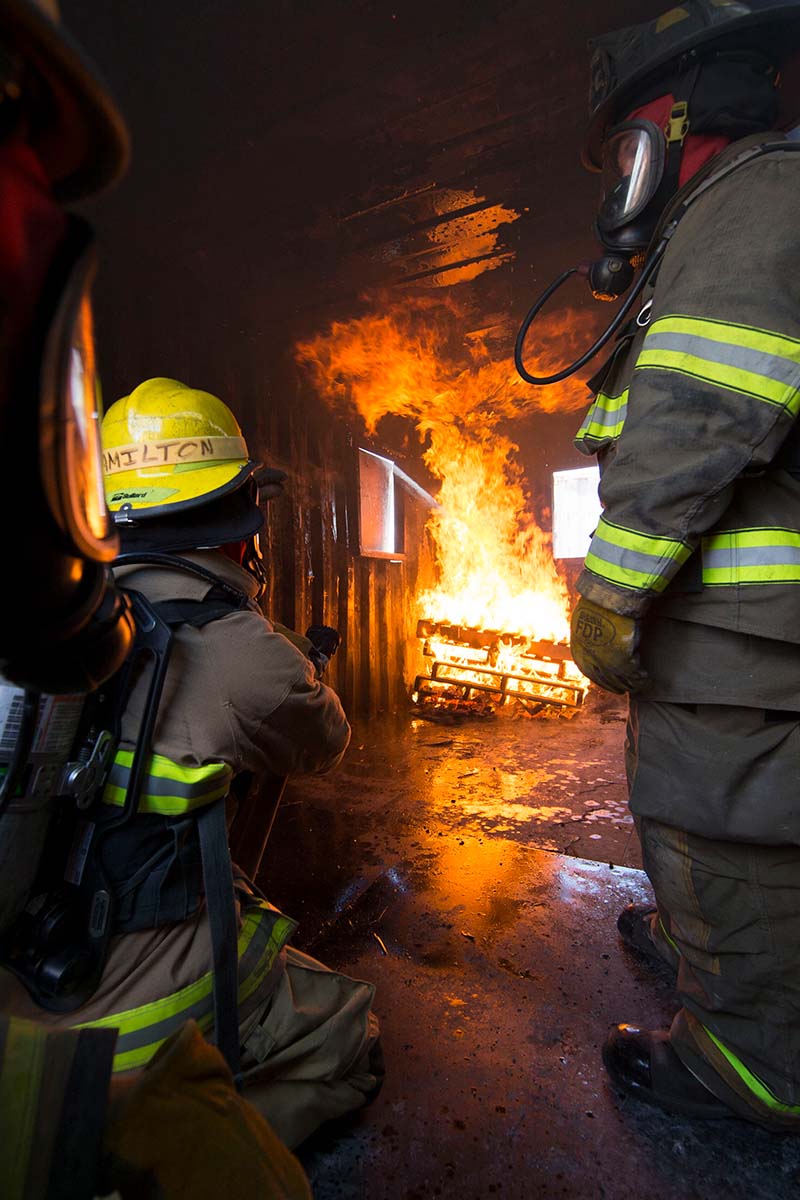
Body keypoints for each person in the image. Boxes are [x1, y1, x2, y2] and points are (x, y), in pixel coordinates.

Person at [0, 374, 384, 1151]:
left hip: (21, 954)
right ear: (236, 524)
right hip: (104, 1024)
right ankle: (135, 1152)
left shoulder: (54, 615)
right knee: (352, 1037)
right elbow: (325, 740)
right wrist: (277, 649)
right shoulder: (247, 656)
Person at [567, 0, 800, 1131]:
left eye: (624, 144)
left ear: (674, 118)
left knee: (716, 821)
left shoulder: (744, 203)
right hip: (740, 636)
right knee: (728, 820)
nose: (619, 173)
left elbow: (691, 420)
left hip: (743, 642)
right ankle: (711, 945)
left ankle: (749, 1064)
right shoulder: (740, 212)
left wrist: (609, 591)